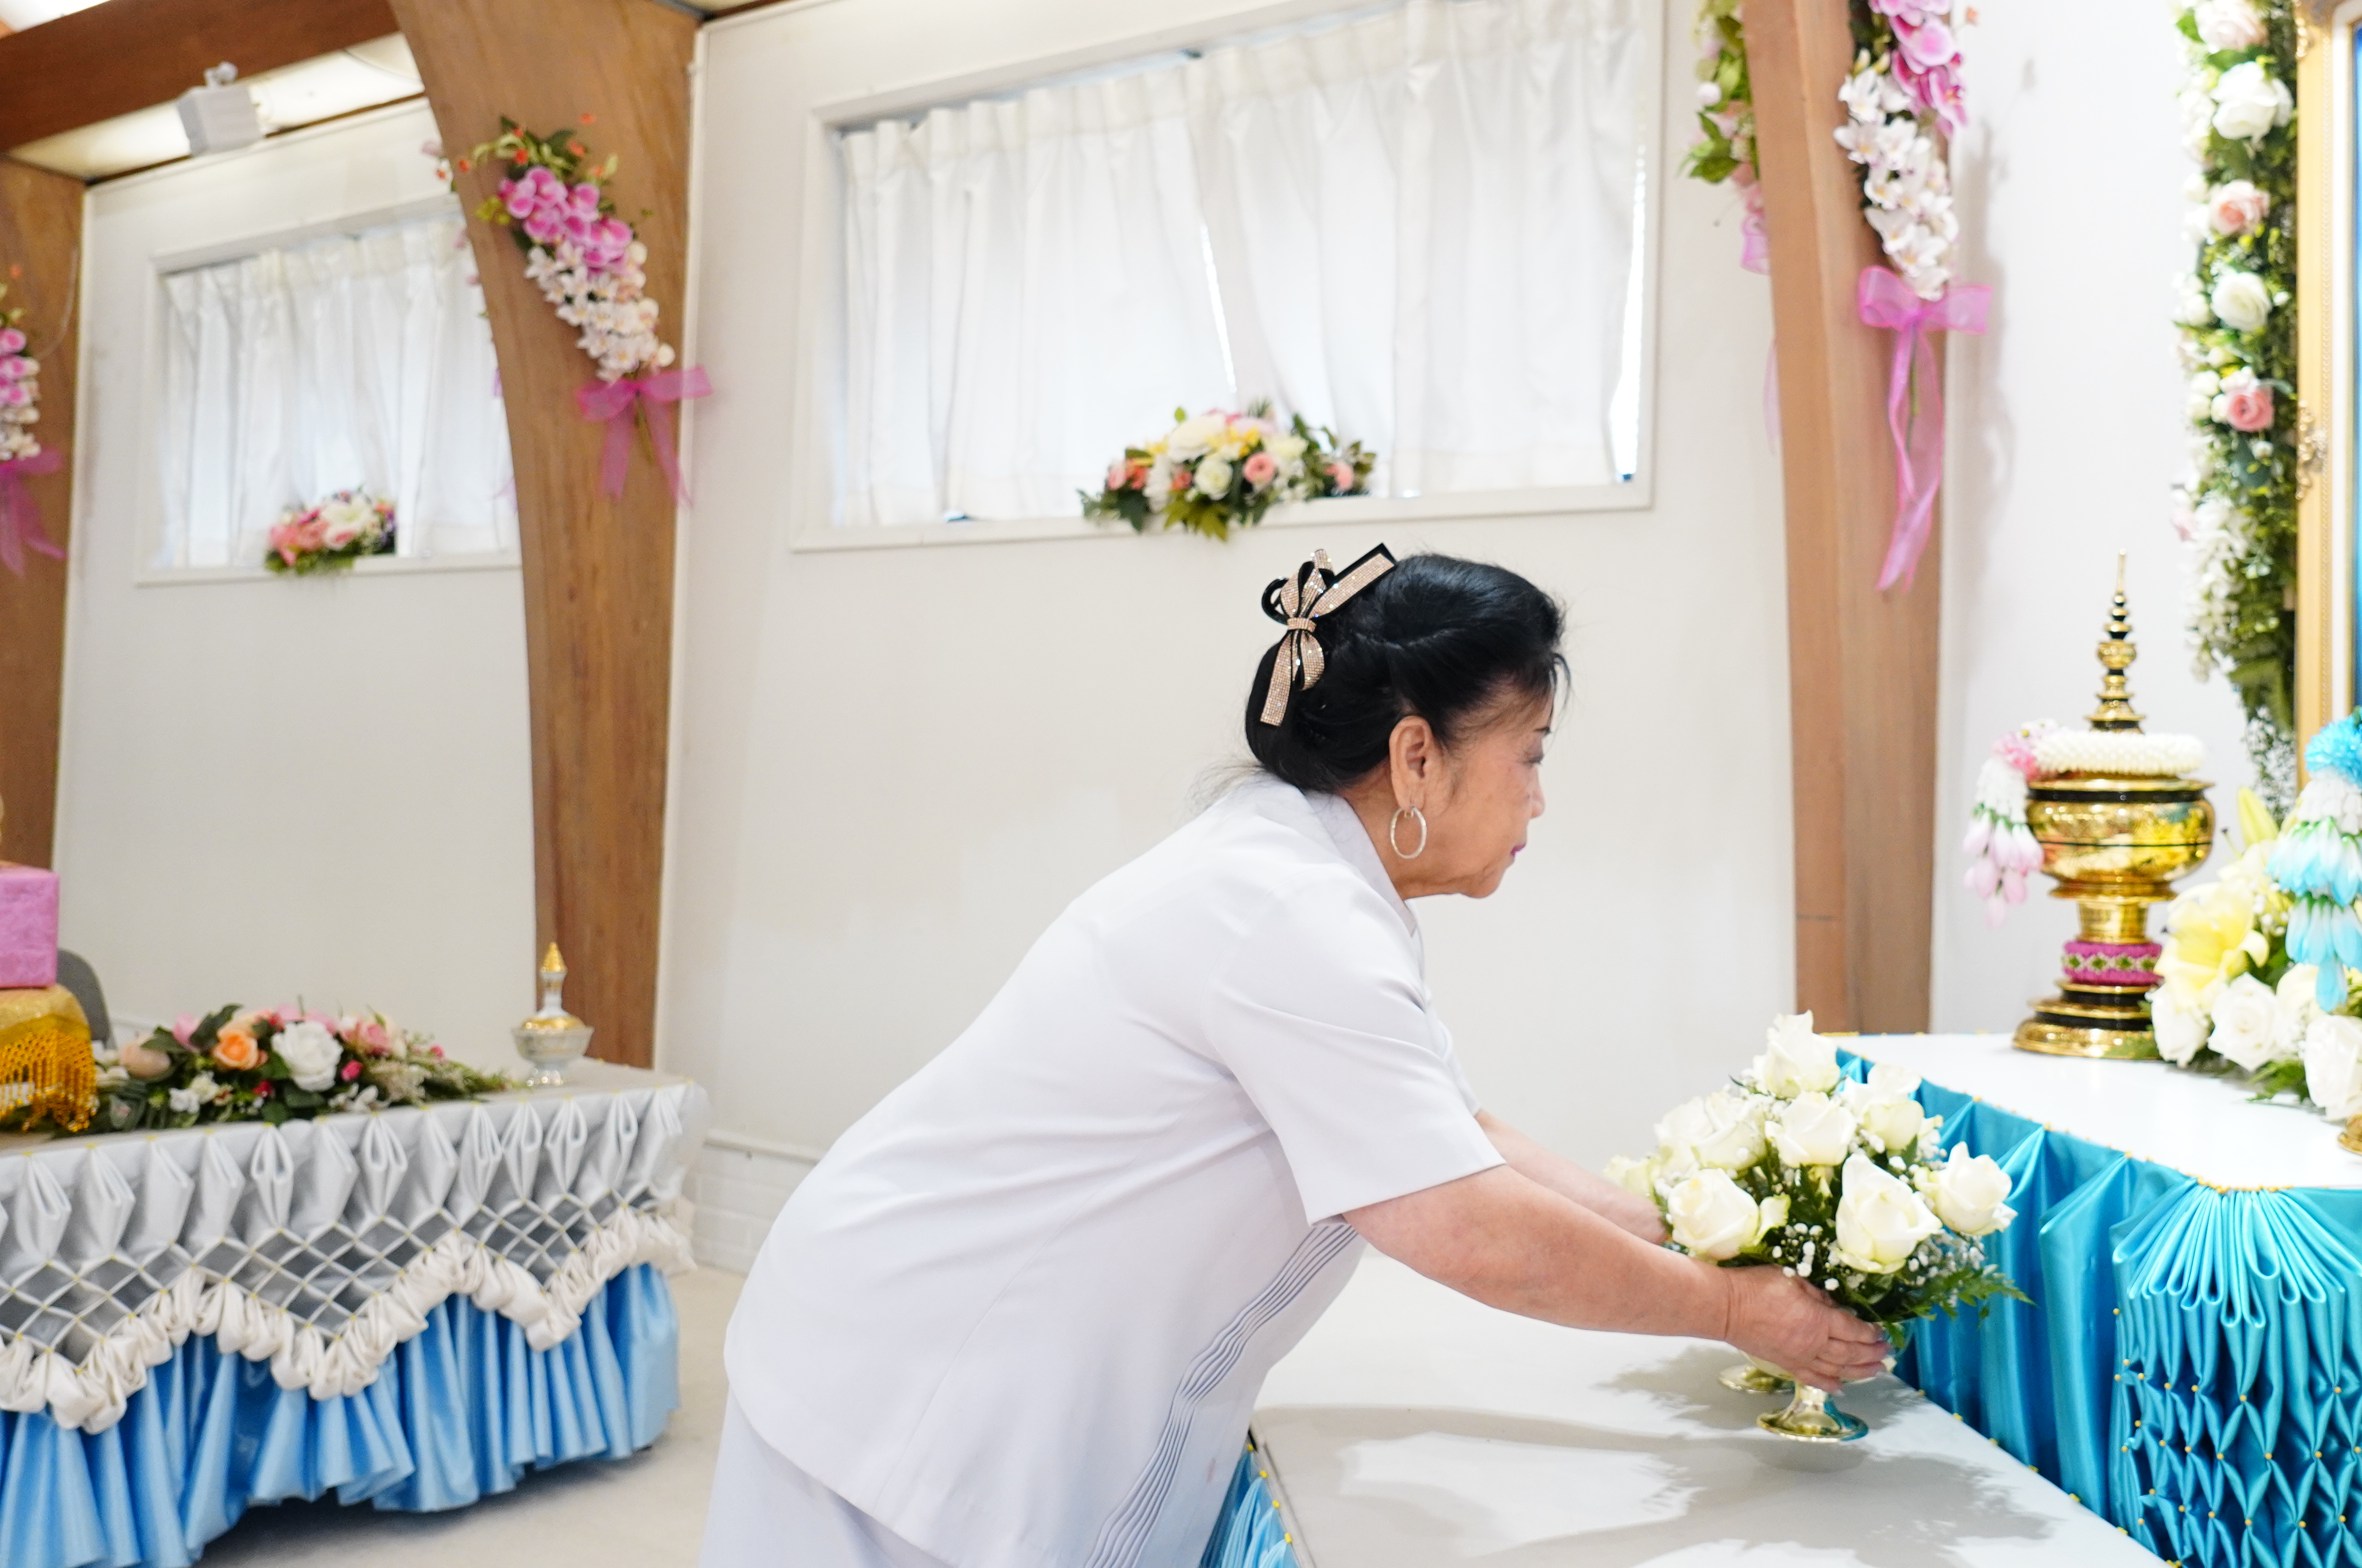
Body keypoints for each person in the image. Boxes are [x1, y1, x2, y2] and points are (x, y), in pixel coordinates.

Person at [699, 545, 1890, 1568]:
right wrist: (1733, 1307)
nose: (1539, 799)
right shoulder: (1291, 915)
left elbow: (1451, 1130)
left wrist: (1675, 1224)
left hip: (919, 1340)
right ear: (1418, 758)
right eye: (1529, 753)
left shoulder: (1307, 877)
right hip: (910, 1378)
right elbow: (1472, 1229)